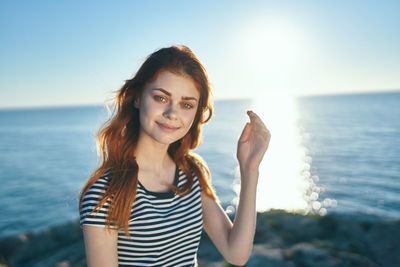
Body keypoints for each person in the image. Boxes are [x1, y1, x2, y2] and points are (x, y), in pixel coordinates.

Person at [79, 45, 271, 267]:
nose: (172, 114)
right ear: (137, 98)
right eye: (161, 98)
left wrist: (249, 170)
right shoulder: (105, 193)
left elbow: (236, 254)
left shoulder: (191, 173)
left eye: (186, 104)